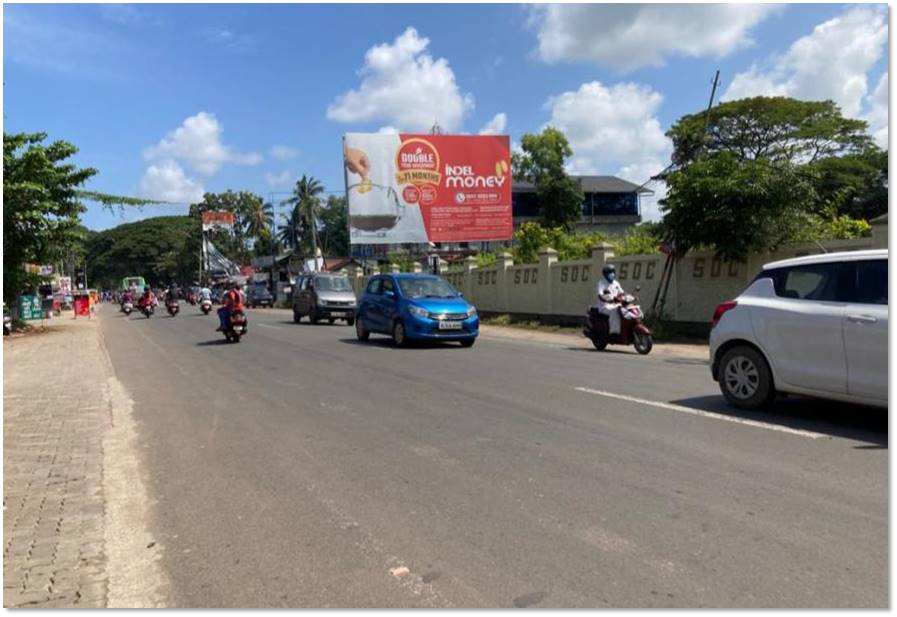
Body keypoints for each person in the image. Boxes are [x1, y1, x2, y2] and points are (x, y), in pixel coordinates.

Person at [594, 264, 626, 335]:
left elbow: (622, 293)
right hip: (604, 306)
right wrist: (608, 300)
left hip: (615, 304)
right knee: (615, 312)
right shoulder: (601, 283)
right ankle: (614, 332)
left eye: (613, 272)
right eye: (609, 273)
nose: (612, 274)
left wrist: (628, 297)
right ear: (605, 274)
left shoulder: (616, 283)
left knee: (625, 310)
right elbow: (600, 296)